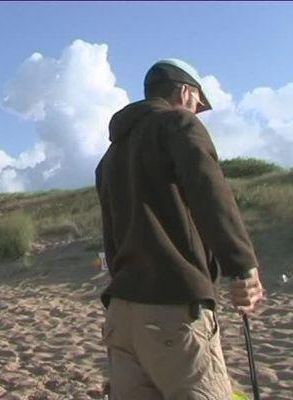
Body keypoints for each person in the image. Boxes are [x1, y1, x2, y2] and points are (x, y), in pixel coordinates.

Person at [95, 58, 265, 400]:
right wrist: (242, 267)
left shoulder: (110, 156)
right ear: (186, 92)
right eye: (199, 104)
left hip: (121, 315)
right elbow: (211, 195)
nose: (198, 112)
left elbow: (111, 239)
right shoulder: (178, 123)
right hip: (172, 309)